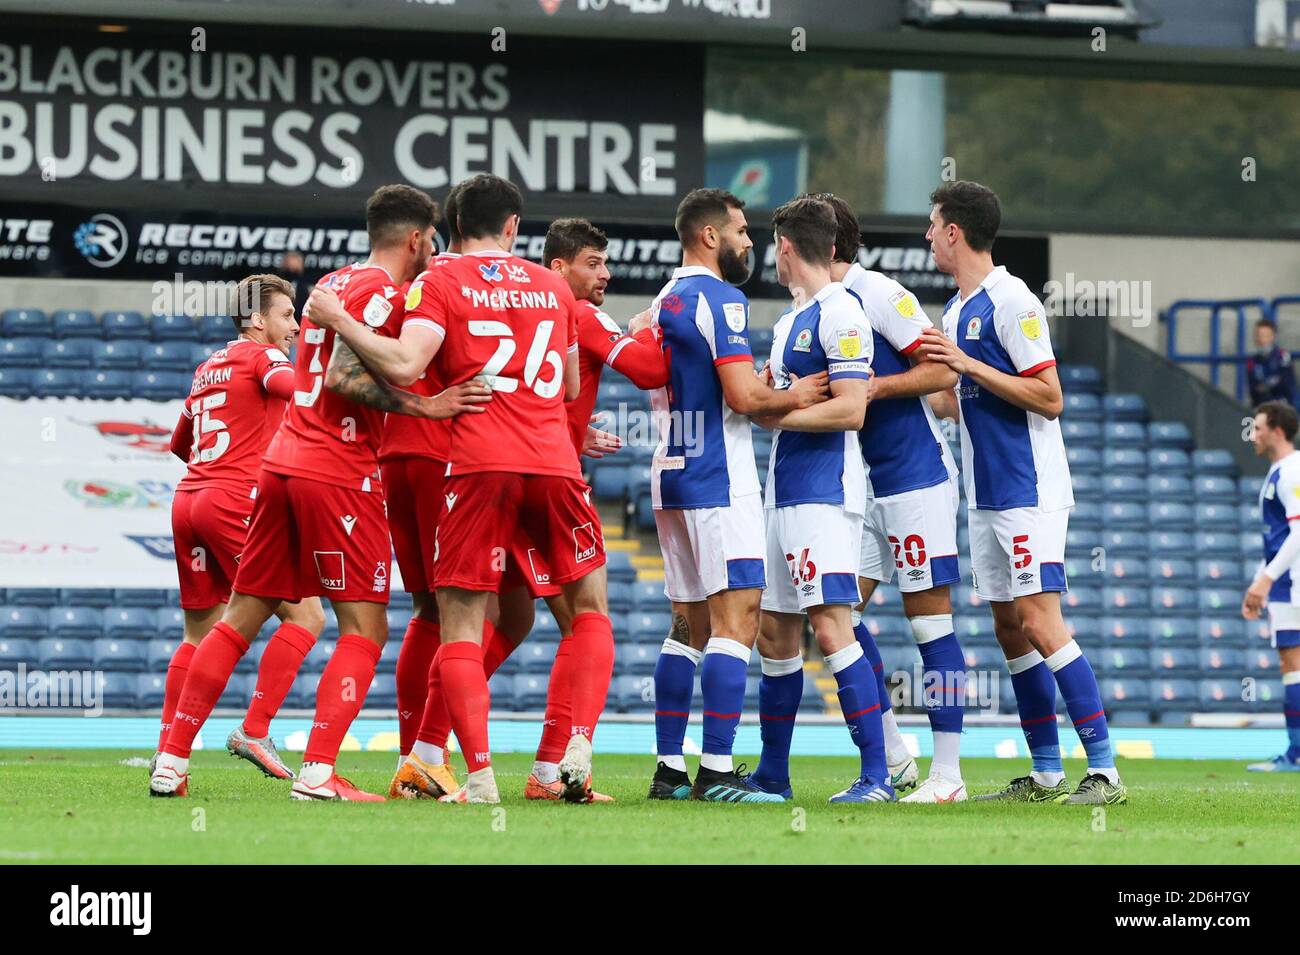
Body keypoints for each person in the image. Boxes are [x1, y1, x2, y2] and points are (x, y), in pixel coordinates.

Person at [150, 184, 489, 801]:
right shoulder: (384, 294)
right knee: (365, 627)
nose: (433, 251)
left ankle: (170, 760)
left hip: (280, 465)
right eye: (431, 240)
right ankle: (318, 770)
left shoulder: (331, 283)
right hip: (338, 470)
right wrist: (427, 405)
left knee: (240, 616)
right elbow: (346, 376)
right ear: (416, 238)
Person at [306, 173, 616, 804]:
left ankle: (472, 776)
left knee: (460, 620)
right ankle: (566, 748)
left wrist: (338, 317)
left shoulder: (436, 280)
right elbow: (569, 388)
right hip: (550, 462)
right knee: (586, 612)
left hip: (472, 464)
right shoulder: (553, 286)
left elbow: (403, 364)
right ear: (512, 227)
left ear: (448, 228)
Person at [915, 180, 1126, 805]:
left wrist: (968, 365)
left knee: (1039, 619)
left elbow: (1049, 396)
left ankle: (1105, 772)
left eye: (933, 225)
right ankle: (1045, 773)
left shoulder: (1013, 301)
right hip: (987, 492)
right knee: (1009, 626)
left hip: (1028, 490)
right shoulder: (958, 309)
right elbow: (964, 401)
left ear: (956, 231)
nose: (927, 236)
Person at [644, 188, 828, 803]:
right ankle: (718, 773)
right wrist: (797, 397)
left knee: (687, 624)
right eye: (742, 231)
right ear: (709, 236)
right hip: (720, 478)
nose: (750, 242)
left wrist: (757, 385)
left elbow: (718, 384)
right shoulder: (723, 298)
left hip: (671, 471)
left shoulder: (665, 297)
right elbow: (746, 401)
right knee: (737, 622)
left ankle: (670, 771)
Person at [744, 195, 891, 803]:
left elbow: (853, 408)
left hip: (826, 494)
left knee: (832, 627)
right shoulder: (789, 321)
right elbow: (783, 403)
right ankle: (773, 775)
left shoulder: (843, 314)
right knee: (775, 635)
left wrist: (781, 412)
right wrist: (778, 402)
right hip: (784, 493)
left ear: (784, 247)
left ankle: (878, 776)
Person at [823, 193, 969, 802]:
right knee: (835, 617)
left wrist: (871, 386)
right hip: (862, 486)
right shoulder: (822, 305)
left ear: (826, 244)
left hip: (915, 479)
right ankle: (894, 755)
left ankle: (949, 775)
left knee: (930, 625)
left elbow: (944, 372)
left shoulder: (879, 293)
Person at [162, 274, 324, 780]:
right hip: (234, 502)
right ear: (258, 320)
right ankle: (255, 729)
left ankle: (169, 747)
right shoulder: (263, 357)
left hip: (188, 501)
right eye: (286, 315)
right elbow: (296, 389)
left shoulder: (207, 365)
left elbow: (179, 443)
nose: (295, 327)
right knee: (307, 619)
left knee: (198, 630)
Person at [1241, 400, 1300, 772]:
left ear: (1277, 430)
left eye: (1258, 428)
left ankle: (1295, 753)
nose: (1252, 435)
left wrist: (1266, 579)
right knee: (1292, 664)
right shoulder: (1281, 470)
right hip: (1283, 580)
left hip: (1291, 583)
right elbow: (1278, 537)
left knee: (1292, 663)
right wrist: (1257, 583)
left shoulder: (1291, 471)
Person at [1246, 320, 1295, 408]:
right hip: (1260, 407)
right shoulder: (1252, 361)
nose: (1262, 340)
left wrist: (1265, 386)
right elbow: (1253, 389)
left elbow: (1286, 383)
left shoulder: (1282, 356)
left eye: (1266, 336)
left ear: (1273, 337)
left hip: (1283, 407)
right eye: (1259, 336)